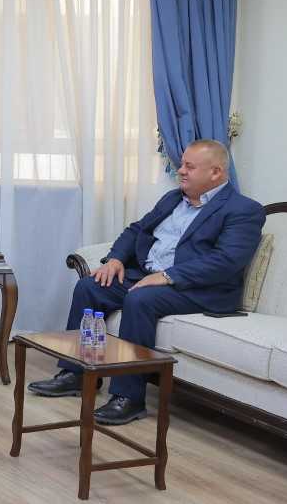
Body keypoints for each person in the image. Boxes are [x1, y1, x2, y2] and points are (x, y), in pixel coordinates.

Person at [28, 139, 265, 425]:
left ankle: (128, 398)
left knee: (140, 299)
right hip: (147, 275)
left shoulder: (244, 210)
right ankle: (75, 373)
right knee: (90, 286)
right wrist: (115, 259)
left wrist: (167, 276)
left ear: (215, 172)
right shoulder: (173, 199)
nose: (181, 171)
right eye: (182, 164)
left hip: (199, 289)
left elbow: (226, 261)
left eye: (189, 166)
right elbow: (136, 230)